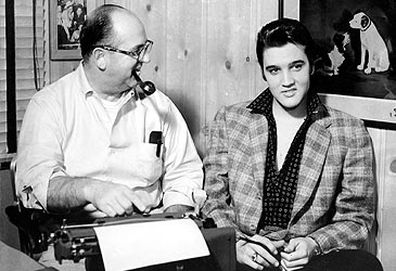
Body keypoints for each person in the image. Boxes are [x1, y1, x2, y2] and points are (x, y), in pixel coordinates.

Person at [201, 18, 383, 271]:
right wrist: (239, 245)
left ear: (311, 67)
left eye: (296, 66)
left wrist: (313, 244)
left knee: (365, 265)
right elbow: (213, 200)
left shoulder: (349, 131)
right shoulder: (230, 120)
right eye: (275, 70)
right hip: (247, 255)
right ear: (264, 72)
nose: (286, 81)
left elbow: (356, 218)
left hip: (308, 261)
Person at [17, 4, 203, 234]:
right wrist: (91, 189)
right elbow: (37, 186)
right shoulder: (48, 105)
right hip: (77, 237)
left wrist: (174, 218)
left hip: (149, 232)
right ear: (101, 58)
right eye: (136, 52)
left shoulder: (159, 106)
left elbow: (185, 171)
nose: (144, 59)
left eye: (145, 49)